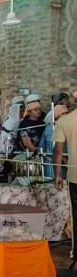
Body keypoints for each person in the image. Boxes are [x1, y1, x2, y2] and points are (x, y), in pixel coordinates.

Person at [52, 100, 77, 258]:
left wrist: (57, 175)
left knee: (76, 215)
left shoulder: (65, 121)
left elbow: (57, 151)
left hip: (75, 176)